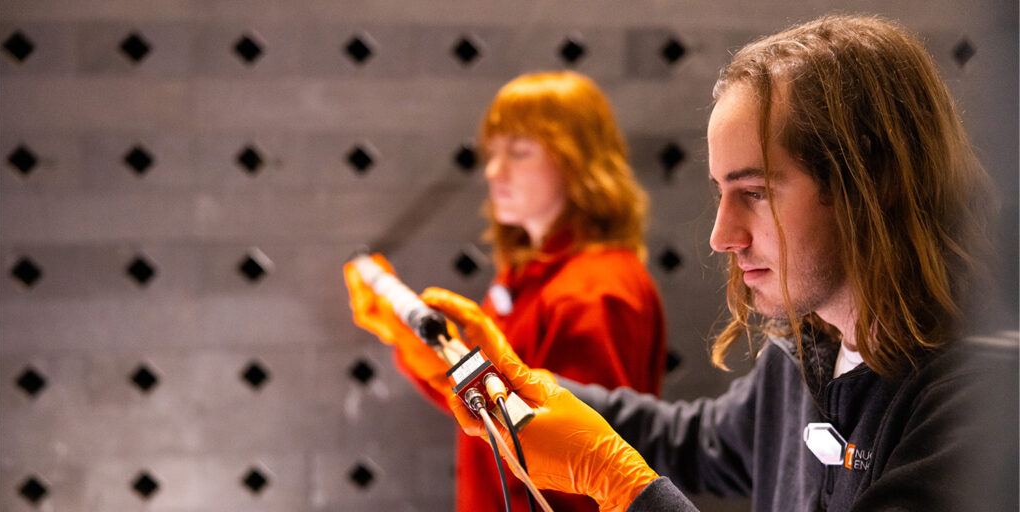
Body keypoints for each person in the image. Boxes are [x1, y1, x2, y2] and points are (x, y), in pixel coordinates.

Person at [420, 14, 1018, 512]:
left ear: (873, 181)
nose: (720, 236)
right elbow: (697, 441)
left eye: (754, 193)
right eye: (719, 193)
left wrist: (626, 490)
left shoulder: (982, 408)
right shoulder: (809, 352)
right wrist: (509, 374)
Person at [344, 71, 667, 511]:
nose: (495, 170)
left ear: (578, 160)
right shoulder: (527, 277)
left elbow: (580, 485)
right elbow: (496, 417)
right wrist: (419, 347)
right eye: (493, 153)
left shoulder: (594, 291)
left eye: (520, 151)